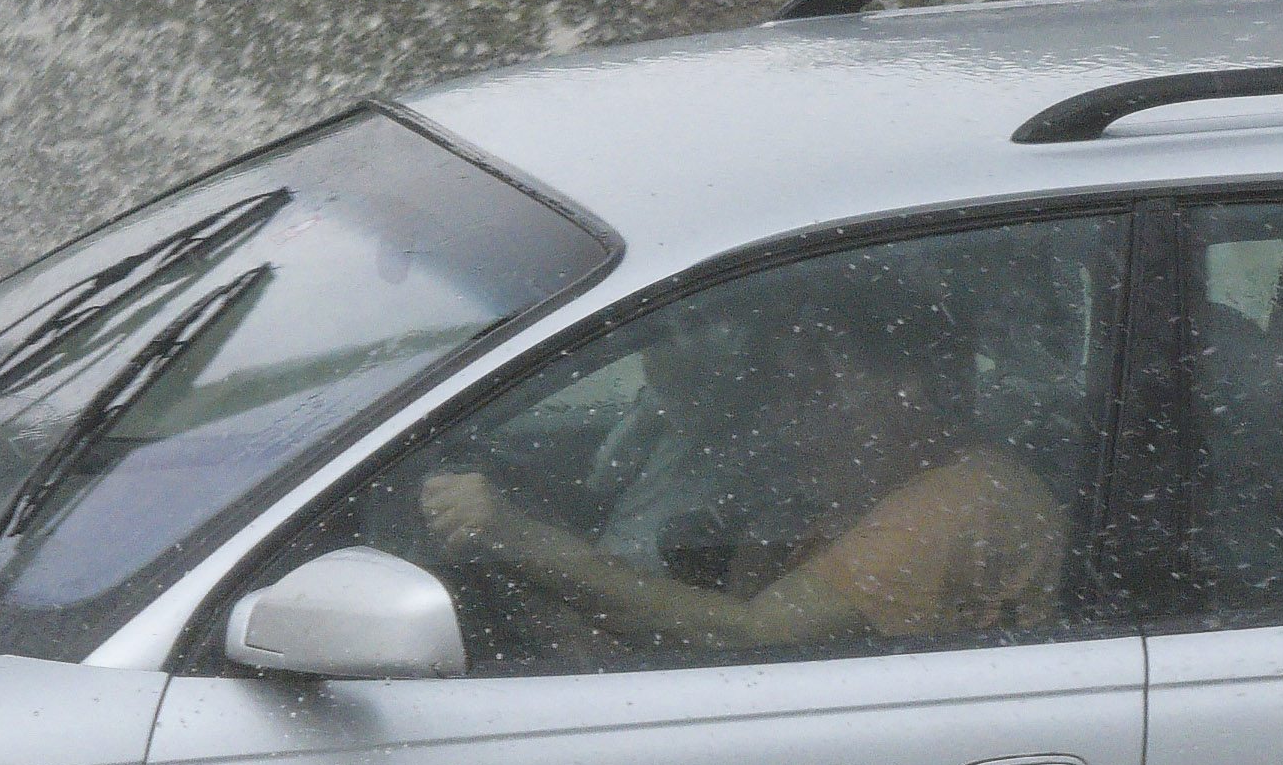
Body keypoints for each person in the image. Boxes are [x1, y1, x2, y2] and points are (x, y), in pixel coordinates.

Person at [421, 274, 1064, 657]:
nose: (788, 415)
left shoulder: (959, 501)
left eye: (816, 385)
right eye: (780, 387)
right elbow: (691, 644)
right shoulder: (860, 479)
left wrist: (519, 537)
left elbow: (751, 638)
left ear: (913, 385)